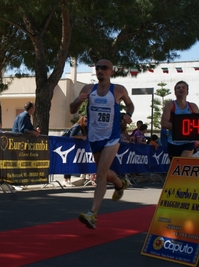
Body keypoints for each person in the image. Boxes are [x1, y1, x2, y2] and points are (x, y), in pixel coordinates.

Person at [70, 59, 134, 230]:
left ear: (111, 71)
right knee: (104, 174)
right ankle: (121, 184)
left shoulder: (119, 89)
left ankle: (92, 214)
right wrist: (79, 101)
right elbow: (72, 109)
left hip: (112, 138)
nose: (100, 70)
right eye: (97, 67)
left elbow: (130, 104)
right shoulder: (87, 89)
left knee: (100, 174)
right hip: (94, 137)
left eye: (104, 68)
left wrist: (128, 114)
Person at [161, 81, 199, 160]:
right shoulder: (170, 105)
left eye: (183, 87)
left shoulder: (193, 107)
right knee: (175, 167)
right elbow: (164, 123)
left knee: (182, 162)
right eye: (178, 88)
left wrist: (197, 140)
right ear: (175, 92)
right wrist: (182, 127)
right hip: (173, 142)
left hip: (188, 142)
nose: (181, 89)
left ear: (187, 92)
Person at [63, 115, 88, 187]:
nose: (87, 122)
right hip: (68, 146)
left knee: (72, 163)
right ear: (82, 120)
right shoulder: (77, 126)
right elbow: (71, 136)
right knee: (69, 162)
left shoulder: (84, 128)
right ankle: (65, 180)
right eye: (85, 121)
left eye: (88, 121)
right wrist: (81, 137)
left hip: (76, 147)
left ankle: (69, 180)